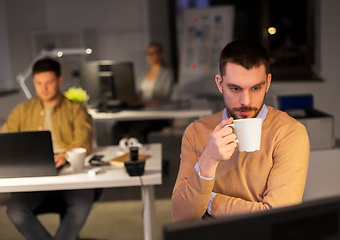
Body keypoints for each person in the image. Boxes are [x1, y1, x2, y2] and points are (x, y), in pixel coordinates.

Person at [171, 40, 310, 222]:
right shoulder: (196, 132)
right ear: (220, 84)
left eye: (256, 88)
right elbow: (182, 216)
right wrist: (208, 159)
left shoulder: (289, 132)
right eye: (235, 88)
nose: (246, 101)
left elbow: (276, 217)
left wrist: (209, 201)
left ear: (268, 83)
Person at [1, 58, 96, 240]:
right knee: (15, 210)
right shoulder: (23, 110)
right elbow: (5, 139)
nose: (43, 88)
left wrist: (65, 155)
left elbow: (83, 141)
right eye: (38, 83)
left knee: (81, 205)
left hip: (68, 170)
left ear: (59, 80)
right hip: (35, 172)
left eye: (49, 82)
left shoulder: (75, 109)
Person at [112, 42, 174, 144]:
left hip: (157, 114)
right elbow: (135, 93)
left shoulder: (167, 73)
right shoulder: (143, 73)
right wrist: (126, 98)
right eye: (148, 53)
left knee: (135, 130)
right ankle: (117, 156)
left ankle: (139, 157)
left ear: (160, 54)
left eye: (153, 53)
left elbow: (164, 98)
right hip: (140, 112)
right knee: (117, 128)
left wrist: (142, 103)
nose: (150, 56)